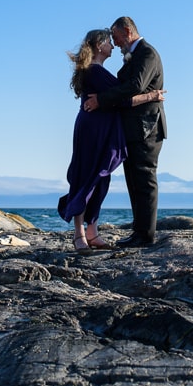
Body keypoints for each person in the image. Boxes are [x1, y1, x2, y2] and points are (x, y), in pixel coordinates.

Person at [58, 28, 164, 252]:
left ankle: (92, 232)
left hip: (101, 127)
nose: (113, 46)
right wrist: (151, 96)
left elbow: (117, 97)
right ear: (98, 45)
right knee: (86, 176)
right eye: (108, 41)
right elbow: (123, 98)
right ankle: (79, 234)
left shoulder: (98, 70)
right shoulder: (94, 71)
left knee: (100, 177)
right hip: (93, 129)